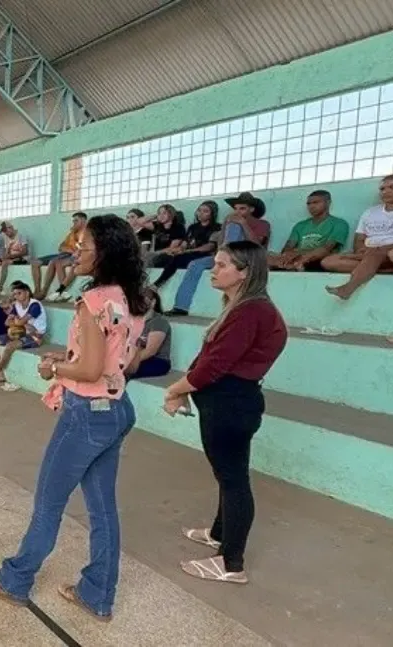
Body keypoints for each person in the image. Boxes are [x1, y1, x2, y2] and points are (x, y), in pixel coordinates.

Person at [0, 215, 148, 622]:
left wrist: (54, 368)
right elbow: (119, 362)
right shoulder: (128, 298)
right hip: (116, 409)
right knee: (102, 509)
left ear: (105, 252)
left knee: (48, 504)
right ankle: (97, 594)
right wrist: (68, 358)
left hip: (86, 415)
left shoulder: (93, 302)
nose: (75, 252)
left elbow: (88, 370)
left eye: (84, 246)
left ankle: (14, 580)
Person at [162, 241, 288, 585]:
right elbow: (208, 355)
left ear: (244, 272)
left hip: (231, 404)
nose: (213, 271)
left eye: (222, 265)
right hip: (224, 402)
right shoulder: (240, 306)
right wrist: (187, 387)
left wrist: (175, 390)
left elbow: (215, 366)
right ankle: (220, 533)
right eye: (214, 263)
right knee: (227, 476)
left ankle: (232, 563)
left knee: (234, 481)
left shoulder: (252, 311)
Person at [323, 175, 393, 299]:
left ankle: (348, 288)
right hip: (365, 254)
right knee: (328, 261)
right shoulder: (370, 212)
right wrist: (363, 251)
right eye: (382, 189)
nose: (386, 191)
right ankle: (384, 270)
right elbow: (359, 240)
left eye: (392, 187)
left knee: (375, 254)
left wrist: (379, 250)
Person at [167, 192, 269, 317]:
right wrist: (226, 224)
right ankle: (180, 307)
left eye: (242, 208)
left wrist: (243, 224)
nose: (237, 212)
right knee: (195, 264)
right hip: (226, 254)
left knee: (235, 226)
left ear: (251, 209)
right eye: (236, 208)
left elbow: (257, 245)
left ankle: (227, 259)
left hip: (248, 257)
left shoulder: (262, 224)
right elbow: (220, 245)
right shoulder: (231, 222)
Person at [0, 281, 47, 385]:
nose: (16, 296)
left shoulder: (35, 305)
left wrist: (18, 321)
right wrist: (20, 322)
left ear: (27, 293)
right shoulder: (17, 305)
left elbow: (20, 322)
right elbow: (7, 322)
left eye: (19, 293)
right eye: (14, 294)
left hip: (35, 337)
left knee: (10, 346)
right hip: (20, 332)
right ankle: (0, 375)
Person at [268, 190, 350, 271]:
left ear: (328, 203)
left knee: (324, 259)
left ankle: (291, 266)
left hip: (318, 260)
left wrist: (299, 254)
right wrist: (287, 256)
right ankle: (290, 265)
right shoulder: (300, 225)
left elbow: (326, 249)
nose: (311, 206)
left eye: (316, 202)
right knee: (267, 256)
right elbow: (287, 248)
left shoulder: (339, 224)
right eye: (308, 204)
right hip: (296, 259)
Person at [152, 201, 221, 288]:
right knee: (166, 257)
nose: (200, 213)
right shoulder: (192, 227)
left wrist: (188, 251)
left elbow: (210, 247)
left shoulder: (217, 227)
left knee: (179, 258)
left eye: (205, 211)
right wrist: (178, 250)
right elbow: (184, 244)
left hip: (204, 255)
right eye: (199, 210)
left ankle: (156, 285)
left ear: (212, 214)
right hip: (189, 253)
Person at [31, 212, 86, 300]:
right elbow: (60, 247)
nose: (74, 223)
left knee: (54, 262)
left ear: (83, 221)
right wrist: (69, 249)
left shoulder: (86, 233)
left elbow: (80, 250)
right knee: (35, 262)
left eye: (76, 221)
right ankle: (37, 290)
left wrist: (70, 250)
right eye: (73, 221)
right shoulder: (72, 233)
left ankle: (46, 292)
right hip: (64, 254)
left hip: (71, 256)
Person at [126, 288, 172, 379]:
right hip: (136, 357)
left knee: (120, 371)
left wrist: (129, 362)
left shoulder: (159, 321)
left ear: (153, 302)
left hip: (158, 362)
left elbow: (150, 351)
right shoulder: (134, 321)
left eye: (143, 299)